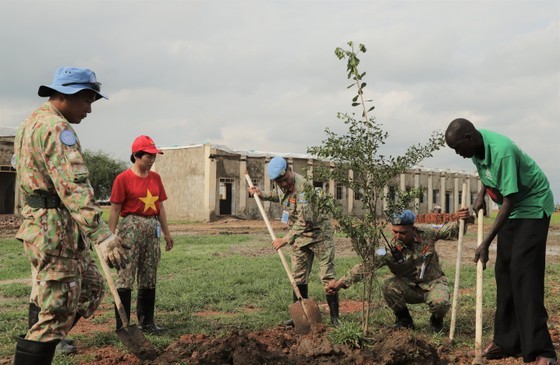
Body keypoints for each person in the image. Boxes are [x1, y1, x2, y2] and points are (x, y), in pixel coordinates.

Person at [13, 67, 129, 365]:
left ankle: (46, 334)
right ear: (67, 95)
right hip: (53, 233)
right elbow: (72, 185)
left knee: (90, 287)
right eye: (87, 100)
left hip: (51, 228)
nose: (89, 109)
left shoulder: (31, 122)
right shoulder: (55, 128)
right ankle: (42, 340)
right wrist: (101, 234)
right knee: (57, 311)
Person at [445, 118, 557, 365]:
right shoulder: (476, 149)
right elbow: (488, 175)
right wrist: (480, 196)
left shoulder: (503, 151)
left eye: (457, 148)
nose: (457, 154)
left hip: (532, 205)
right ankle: (507, 341)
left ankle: (543, 351)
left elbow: (510, 199)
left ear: (468, 138)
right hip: (513, 207)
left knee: (523, 272)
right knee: (504, 270)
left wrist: (485, 243)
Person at [325, 208, 470, 333]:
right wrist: (340, 284)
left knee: (441, 303)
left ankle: (436, 320)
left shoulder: (427, 232)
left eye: (403, 233)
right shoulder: (387, 250)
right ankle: (404, 320)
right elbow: (366, 266)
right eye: (395, 232)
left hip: (433, 283)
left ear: (413, 228)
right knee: (388, 286)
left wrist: (462, 219)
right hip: (408, 287)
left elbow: (452, 231)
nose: (398, 236)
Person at [248, 156, 340, 326]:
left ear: (289, 170)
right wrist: (262, 194)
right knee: (298, 276)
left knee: (327, 276)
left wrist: (286, 239)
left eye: (284, 180)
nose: (283, 184)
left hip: (318, 234)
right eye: (279, 182)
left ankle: (335, 318)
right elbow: (279, 195)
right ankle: (301, 315)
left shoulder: (304, 188)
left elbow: (306, 220)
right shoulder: (281, 184)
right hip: (299, 236)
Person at [108, 135, 174, 333]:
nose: (152, 160)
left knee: (149, 274)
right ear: (136, 155)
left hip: (151, 229)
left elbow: (160, 206)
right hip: (130, 229)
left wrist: (166, 232)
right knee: (126, 275)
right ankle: (124, 325)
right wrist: (111, 237)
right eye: (148, 156)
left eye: (154, 156)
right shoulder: (123, 179)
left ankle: (147, 322)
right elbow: (114, 209)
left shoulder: (156, 178)